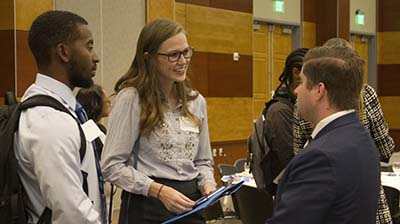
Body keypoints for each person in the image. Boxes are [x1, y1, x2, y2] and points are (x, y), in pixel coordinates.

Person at [101, 19, 217, 223]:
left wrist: (208, 185)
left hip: (191, 204)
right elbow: (111, 166)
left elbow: (203, 161)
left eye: (186, 52)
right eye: (174, 55)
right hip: (148, 204)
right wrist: (158, 191)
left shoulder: (196, 102)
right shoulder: (132, 99)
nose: (183, 61)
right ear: (149, 58)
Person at [267, 46, 380, 223]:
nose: (297, 90)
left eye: (302, 82)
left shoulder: (319, 157)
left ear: (319, 90)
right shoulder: (361, 137)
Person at [15, 10, 106, 223]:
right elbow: (71, 213)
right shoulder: (49, 122)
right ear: (63, 52)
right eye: (89, 46)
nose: (96, 57)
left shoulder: (61, 108)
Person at [293, 37, 394, 224]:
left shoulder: (306, 99)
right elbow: (385, 149)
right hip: (369, 202)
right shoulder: (367, 94)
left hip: (321, 201)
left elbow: (299, 153)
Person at [256, 48, 308, 194]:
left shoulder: (293, 106)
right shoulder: (279, 111)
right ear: (296, 72)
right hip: (287, 193)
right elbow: (293, 162)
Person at [77, 84, 111, 157]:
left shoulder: (101, 128)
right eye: (105, 99)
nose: (108, 101)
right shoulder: (87, 130)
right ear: (95, 103)